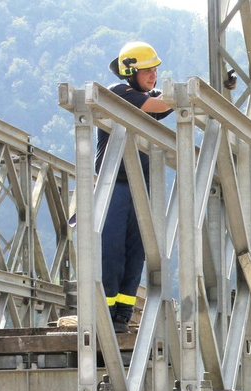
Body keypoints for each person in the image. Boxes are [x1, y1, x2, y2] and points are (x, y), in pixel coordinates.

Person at [99, 41, 173, 333]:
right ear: (131, 73)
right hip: (115, 187)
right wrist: (182, 96)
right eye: (147, 71)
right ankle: (105, 314)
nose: (153, 75)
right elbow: (164, 104)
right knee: (112, 252)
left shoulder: (146, 97)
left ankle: (122, 315)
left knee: (136, 254)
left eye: (155, 70)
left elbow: (165, 102)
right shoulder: (120, 94)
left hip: (142, 188)